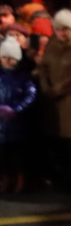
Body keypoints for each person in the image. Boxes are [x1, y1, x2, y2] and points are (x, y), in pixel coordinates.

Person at [36, 8, 71, 191]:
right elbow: (44, 66)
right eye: (58, 29)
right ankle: (61, 179)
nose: (62, 33)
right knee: (57, 141)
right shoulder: (53, 44)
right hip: (53, 101)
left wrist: (57, 89)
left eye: (66, 29)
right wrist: (45, 86)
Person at [0, 37, 37, 193]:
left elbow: (31, 94)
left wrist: (17, 109)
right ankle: (5, 179)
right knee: (2, 155)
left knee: (17, 154)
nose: (8, 61)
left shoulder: (23, 77)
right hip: (1, 123)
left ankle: (20, 179)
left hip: (17, 123)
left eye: (12, 58)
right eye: (5, 57)